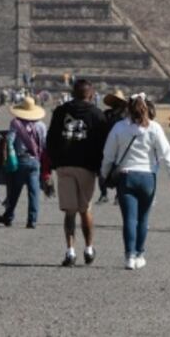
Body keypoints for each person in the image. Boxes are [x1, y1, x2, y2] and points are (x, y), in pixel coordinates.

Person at [101, 94, 170, 270]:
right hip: (147, 177)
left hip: (126, 176)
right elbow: (165, 155)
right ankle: (140, 254)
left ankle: (129, 256)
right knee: (143, 219)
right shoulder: (155, 128)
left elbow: (108, 155)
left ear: (128, 108)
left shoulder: (119, 127)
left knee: (129, 219)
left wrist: (104, 174)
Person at [46, 79, 108, 267]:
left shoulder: (60, 112)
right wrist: (100, 168)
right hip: (86, 167)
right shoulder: (97, 115)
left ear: (72, 93)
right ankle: (89, 248)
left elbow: (50, 140)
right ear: (91, 94)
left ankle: (70, 251)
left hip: (64, 166)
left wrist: (54, 163)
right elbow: (103, 144)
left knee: (70, 211)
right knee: (85, 209)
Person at [0, 96, 48, 228]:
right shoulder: (41, 125)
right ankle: (32, 220)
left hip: (20, 161)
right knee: (34, 192)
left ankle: (8, 216)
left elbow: (10, 140)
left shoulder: (15, 123)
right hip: (34, 161)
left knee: (14, 191)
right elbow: (44, 144)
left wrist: (8, 155)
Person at [98, 89, 128, 204]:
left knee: (119, 172)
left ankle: (118, 195)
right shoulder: (106, 114)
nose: (116, 103)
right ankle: (103, 194)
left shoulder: (125, 117)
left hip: (120, 147)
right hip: (105, 145)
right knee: (102, 171)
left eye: (118, 101)